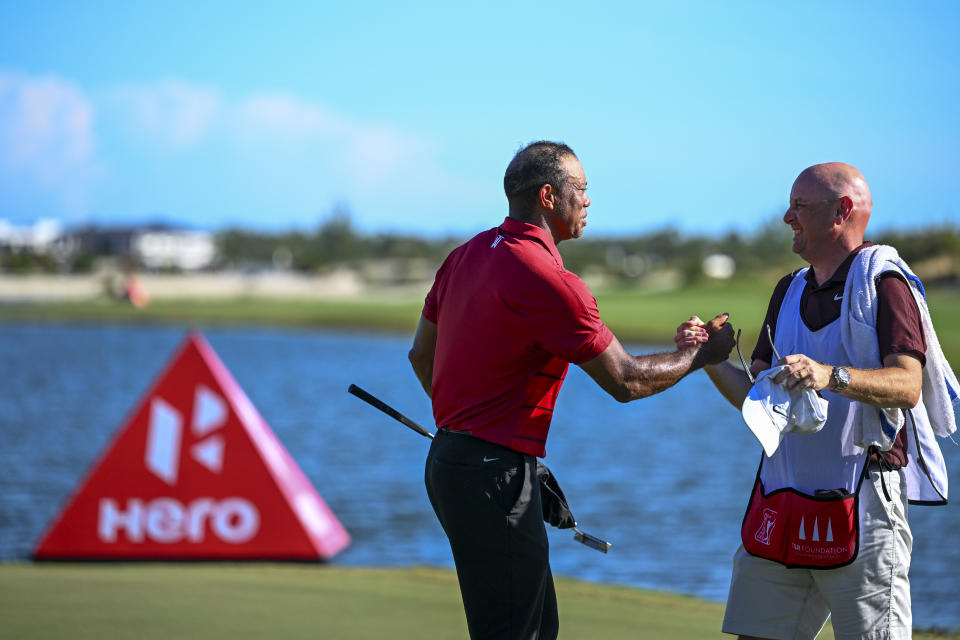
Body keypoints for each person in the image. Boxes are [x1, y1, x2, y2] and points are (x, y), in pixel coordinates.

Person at [408, 140, 735, 640]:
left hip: (451, 463)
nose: (587, 200)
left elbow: (419, 357)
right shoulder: (551, 280)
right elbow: (626, 380)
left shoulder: (466, 254)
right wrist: (704, 355)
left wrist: (468, 430)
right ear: (548, 196)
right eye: (580, 189)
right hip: (493, 474)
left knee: (536, 627)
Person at [678, 162, 956, 640]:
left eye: (800, 206)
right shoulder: (787, 290)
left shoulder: (886, 284)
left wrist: (829, 375)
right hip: (780, 499)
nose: (788, 217)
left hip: (863, 508)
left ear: (841, 212)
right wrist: (705, 359)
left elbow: (908, 385)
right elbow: (757, 398)